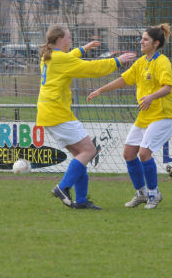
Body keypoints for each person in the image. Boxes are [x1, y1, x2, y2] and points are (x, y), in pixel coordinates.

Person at [38, 25, 136, 210]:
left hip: (49, 113)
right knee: (89, 151)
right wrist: (117, 61)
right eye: (68, 37)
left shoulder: (49, 56)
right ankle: (63, 187)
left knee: (79, 154)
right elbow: (91, 68)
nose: (70, 40)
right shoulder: (59, 59)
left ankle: (81, 201)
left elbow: (68, 58)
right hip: (58, 114)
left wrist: (83, 49)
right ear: (59, 40)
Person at [87, 23, 172, 209]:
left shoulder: (163, 62)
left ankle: (154, 194)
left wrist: (151, 97)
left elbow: (167, 87)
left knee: (144, 153)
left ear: (156, 43)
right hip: (145, 116)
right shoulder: (141, 62)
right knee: (129, 154)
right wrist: (101, 90)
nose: (141, 42)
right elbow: (124, 79)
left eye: (145, 39)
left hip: (163, 115)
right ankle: (142, 193)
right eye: (142, 38)